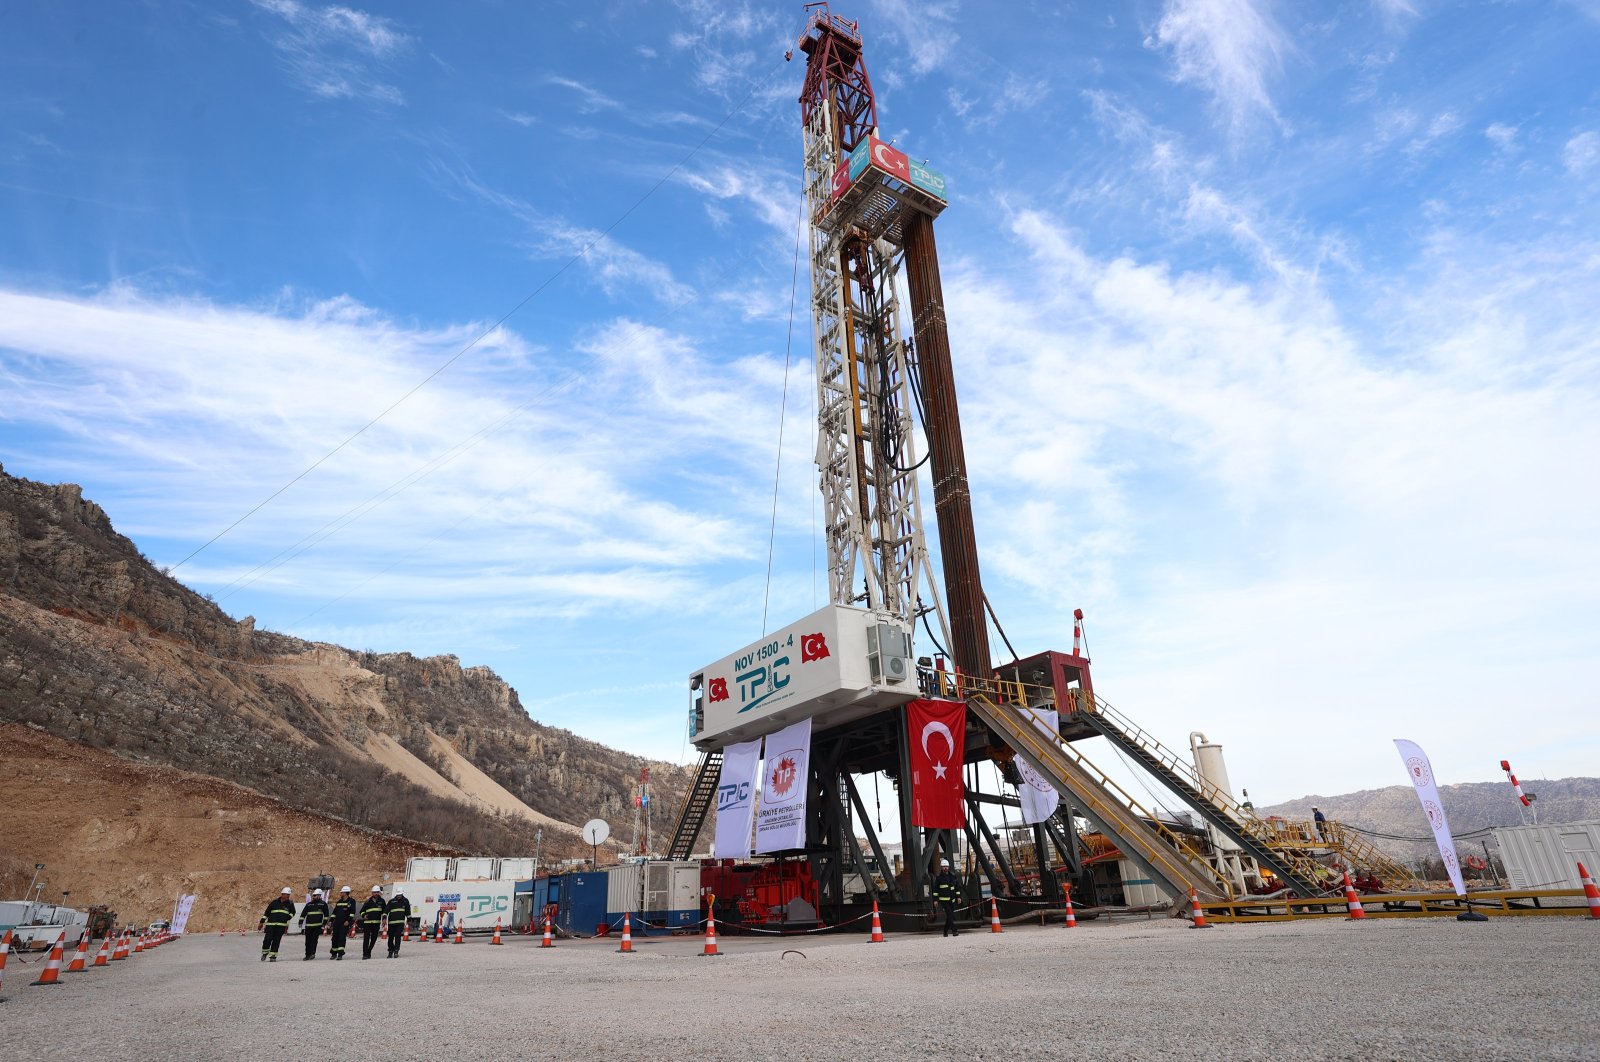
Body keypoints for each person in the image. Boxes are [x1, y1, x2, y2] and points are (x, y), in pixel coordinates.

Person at [259, 887, 296, 962]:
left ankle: (273, 956)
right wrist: (261, 922)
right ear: (282, 894)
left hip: (281, 926)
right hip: (270, 925)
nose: (288, 896)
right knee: (267, 939)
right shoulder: (274, 902)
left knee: (276, 940)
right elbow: (267, 913)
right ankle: (265, 953)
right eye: (286, 894)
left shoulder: (290, 903)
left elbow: (293, 912)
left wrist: (288, 917)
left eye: (289, 895)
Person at [299, 888, 330, 960]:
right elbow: (303, 913)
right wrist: (300, 922)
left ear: (319, 896)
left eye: (315, 895)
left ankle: (312, 953)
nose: (314, 897)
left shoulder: (323, 904)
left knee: (314, 940)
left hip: (317, 926)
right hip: (308, 926)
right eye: (313, 895)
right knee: (307, 941)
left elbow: (326, 915)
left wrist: (324, 923)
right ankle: (307, 955)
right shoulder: (309, 904)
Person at [328, 885, 356, 961]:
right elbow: (334, 912)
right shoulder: (339, 902)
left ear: (346, 893)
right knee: (334, 938)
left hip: (344, 923)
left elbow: (352, 913)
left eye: (342, 892)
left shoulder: (351, 901)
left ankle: (340, 954)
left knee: (341, 938)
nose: (340, 894)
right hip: (337, 923)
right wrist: (331, 921)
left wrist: (348, 921)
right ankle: (334, 953)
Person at [359, 886, 386, 960]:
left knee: (374, 939)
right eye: (374, 892)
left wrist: (384, 919)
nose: (376, 894)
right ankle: (365, 954)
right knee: (366, 939)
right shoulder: (367, 901)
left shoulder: (382, 901)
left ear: (379, 893)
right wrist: (364, 915)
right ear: (372, 893)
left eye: (377, 892)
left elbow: (384, 912)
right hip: (367, 923)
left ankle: (369, 951)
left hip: (376, 923)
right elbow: (361, 911)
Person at [933, 860, 960, 937]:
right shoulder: (939, 879)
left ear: (948, 867)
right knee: (950, 915)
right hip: (944, 900)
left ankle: (945, 931)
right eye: (944, 867)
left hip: (952, 900)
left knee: (949, 916)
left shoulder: (953, 876)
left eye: (946, 866)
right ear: (941, 868)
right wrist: (935, 900)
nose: (945, 868)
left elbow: (957, 888)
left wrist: (958, 897)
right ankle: (954, 931)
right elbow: (935, 890)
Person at [385, 887, 412, 958]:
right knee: (390, 938)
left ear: (402, 894)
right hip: (391, 923)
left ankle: (396, 951)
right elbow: (386, 911)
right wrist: (384, 918)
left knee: (397, 937)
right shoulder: (391, 901)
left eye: (400, 895)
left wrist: (409, 920)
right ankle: (390, 951)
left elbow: (408, 912)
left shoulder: (406, 901)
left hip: (400, 923)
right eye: (398, 895)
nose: (399, 896)